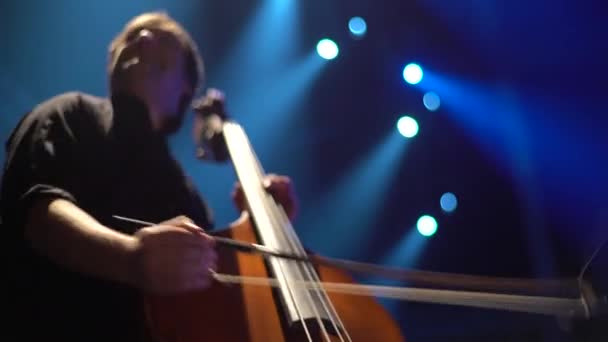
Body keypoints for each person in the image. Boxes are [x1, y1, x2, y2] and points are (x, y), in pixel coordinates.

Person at [1, 11, 298, 341]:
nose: (141, 39)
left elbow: (209, 303)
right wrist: (129, 257)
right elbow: (38, 211)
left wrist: (263, 224)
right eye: (130, 37)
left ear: (186, 88)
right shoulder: (71, 112)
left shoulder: (187, 197)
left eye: (162, 38)